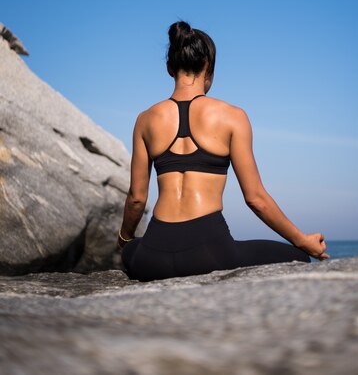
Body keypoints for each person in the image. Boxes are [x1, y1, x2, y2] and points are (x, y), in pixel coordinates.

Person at [118, 21, 330, 282]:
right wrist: (303, 240)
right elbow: (256, 199)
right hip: (208, 253)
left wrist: (124, 240)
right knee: (298, 256)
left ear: (169, 68)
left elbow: (137, 198)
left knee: (131, 250)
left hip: (154, 256)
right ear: (210, 71)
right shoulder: (232, 117)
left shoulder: (145, 119)